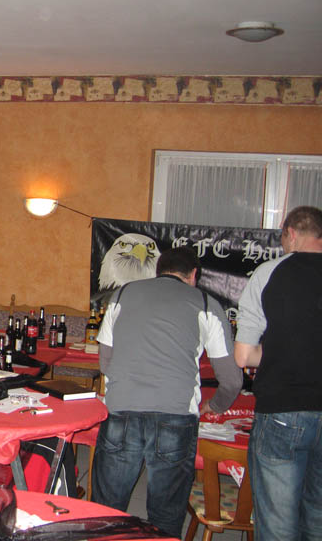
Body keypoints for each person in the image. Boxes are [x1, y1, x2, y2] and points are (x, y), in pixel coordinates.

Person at [91, 247, 242, 538]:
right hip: (176, 414)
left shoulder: (122, 295)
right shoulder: (206, 303)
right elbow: (232, 380)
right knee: (165, 516)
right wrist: (215, 406)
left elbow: (105, 362)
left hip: (122, 410)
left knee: (106, 511)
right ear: (194, 274)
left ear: (158, 270)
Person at [234, 205, 322, 541]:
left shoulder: (270, 272)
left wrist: (278, 352)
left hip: (284, 410)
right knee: (318, 518)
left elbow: (244, 356)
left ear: (292, 233)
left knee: (278, 523)